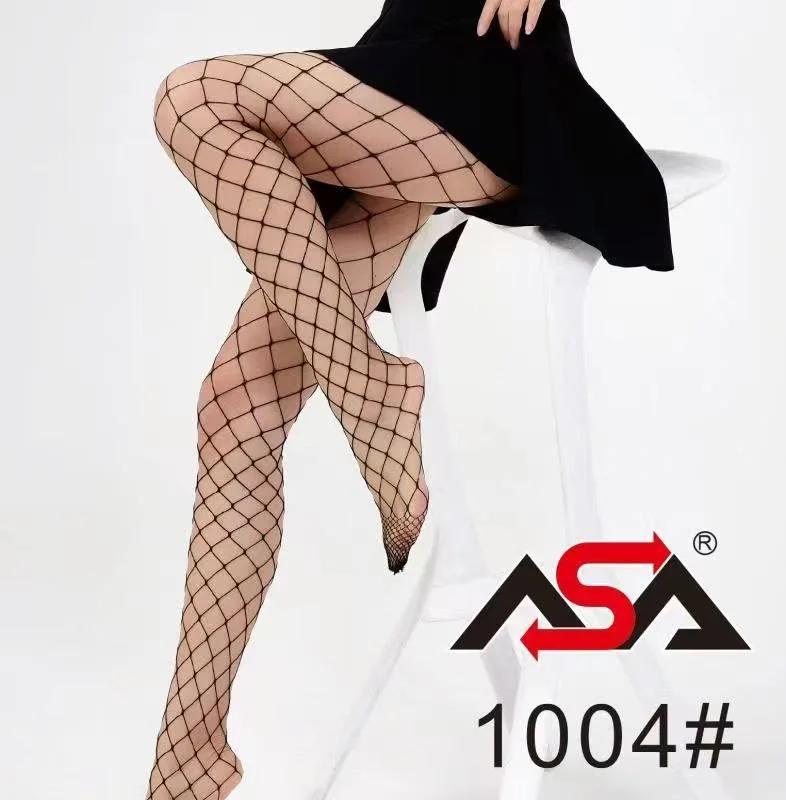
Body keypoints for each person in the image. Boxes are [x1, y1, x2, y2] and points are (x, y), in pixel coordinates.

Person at [146, 0, 673, 796]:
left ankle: (368, 391)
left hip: (488, 66)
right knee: (234, 408)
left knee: (195, 99)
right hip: (391, 67)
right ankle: (189, 757)